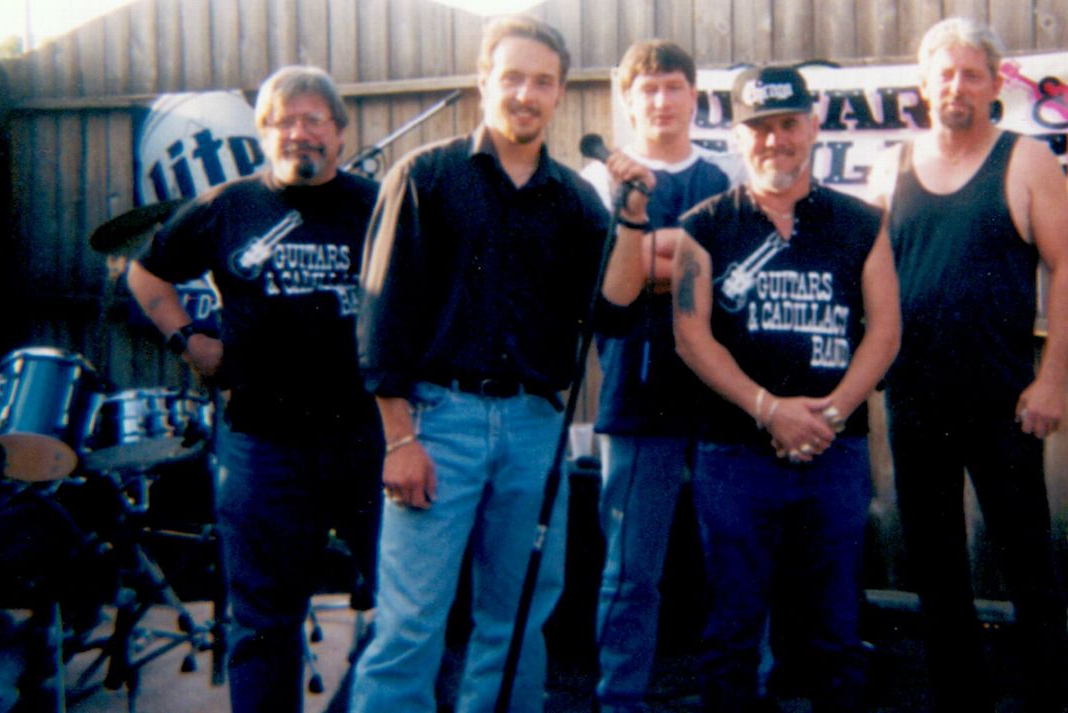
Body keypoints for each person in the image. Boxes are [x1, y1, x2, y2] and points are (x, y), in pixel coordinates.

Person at [349, 15, 646, 713]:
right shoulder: (425, 176)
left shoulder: (576, 199)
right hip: (436, 422)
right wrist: (399, 439)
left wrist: (632, 216)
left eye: (542, 82)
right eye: (512, 77)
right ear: (484, 81)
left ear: (560, 92)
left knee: (515, 623)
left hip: (534, 428)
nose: (526, 94)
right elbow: (381, 319)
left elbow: (615, 311)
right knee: (411, 621)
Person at [127, 65, 383, 713]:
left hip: (369, 439)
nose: (299, 132)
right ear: (263, 135)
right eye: (283, 121)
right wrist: (189, 341)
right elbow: (144, 274)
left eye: (313, 119)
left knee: (405, 603)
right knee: (264, 622)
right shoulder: (226, 206)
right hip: (263, 444)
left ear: (340, 132)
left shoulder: (380, 205)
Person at [867, 17, 1068, 712]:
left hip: (1004, 399)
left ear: (995, 86)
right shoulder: (890, 166)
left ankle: (1051, 698)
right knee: (934, 565)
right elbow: (868, 275)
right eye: (944, 74)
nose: (956, 86)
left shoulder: (1026, 160)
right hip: (914, 397)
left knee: (1027, 560)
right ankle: (960, 700)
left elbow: (1067, 269)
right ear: (924, 84)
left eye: (971, 74)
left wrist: (1051, 379)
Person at [671, 65, 900, 712]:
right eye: (760, 127)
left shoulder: (861, 222)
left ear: (813, 127)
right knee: (732, 626)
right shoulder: (703, 226)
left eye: (789, 124)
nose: (776, 140)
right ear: (738, 137)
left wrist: (827, 416)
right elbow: (690, 336)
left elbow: (885, 331)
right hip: (733, 454)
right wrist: (769, 410)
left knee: (835, 628)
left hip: (834, 452)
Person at [578, 39, 742, 713]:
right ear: (627, 98)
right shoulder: (598, 181)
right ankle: (620, 697)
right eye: (647, 89)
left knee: (737, 559)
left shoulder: (728, 172)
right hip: (637, 395)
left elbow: (738, 270)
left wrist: (649, 252)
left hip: (726, 394)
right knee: (630, 570)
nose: (662, 101)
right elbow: (606, 279)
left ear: (694, 96)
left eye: (674, 87)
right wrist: (689, 256)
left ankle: (739, 692)